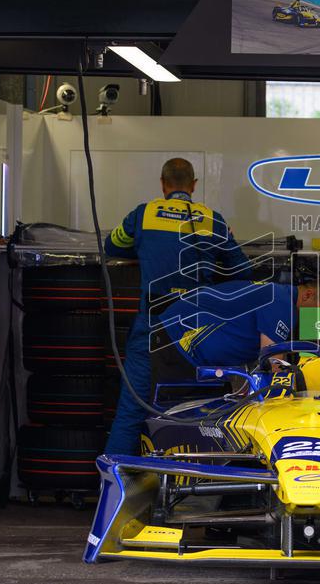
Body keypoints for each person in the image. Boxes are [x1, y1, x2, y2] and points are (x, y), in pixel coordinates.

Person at [103, 158, 252, 456]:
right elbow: (244, 271)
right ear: (194, 185)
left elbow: (112, 245)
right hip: (198, 329)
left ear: (163, 184)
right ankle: (196, 488)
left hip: (153, 324)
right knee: (200, 410)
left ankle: (116, 488)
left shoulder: (144, 214)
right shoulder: (214, 220)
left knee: (132, 409)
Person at [152, 279, 320, 378]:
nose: (319, 319)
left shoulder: (277, 294)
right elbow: (272, 361)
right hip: (175, 343)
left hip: (187, 354)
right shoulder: (282, 302)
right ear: (308, 295)